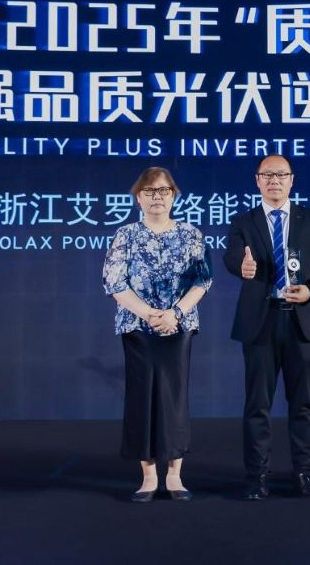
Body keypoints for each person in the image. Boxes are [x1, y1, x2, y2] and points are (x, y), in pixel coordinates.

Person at [223, 155, 310, 500]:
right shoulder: (243, 221)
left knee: (303, 404)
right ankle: (257, 477)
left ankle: (305, 474)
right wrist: (241, 267)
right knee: (257, 405)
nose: (274, 180)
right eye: (267, 175)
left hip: (302, 321)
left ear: (292, 180)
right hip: (261, 321)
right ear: (257, 181)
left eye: (281, 175)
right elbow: (231, 257)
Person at [102, 166, 213, 502]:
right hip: (138, 327)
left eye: (163, 191)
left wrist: (174, 314)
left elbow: (203, 280)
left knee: (173, 398)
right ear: (139, 197)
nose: (157, 197)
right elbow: (114, 282)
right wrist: (149, 314)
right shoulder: (125, 235)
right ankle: (149, 476)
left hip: (178, 326)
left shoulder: (191, 234)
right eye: (149, 191)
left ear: (173, 196)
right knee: (142, 399)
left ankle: (175, 475)